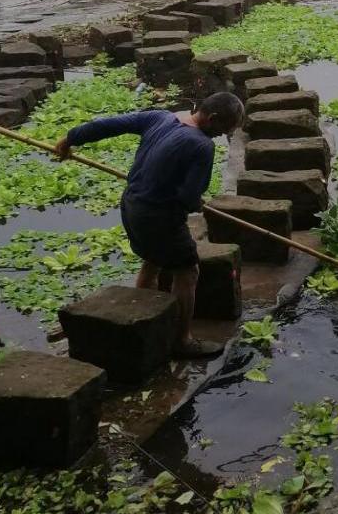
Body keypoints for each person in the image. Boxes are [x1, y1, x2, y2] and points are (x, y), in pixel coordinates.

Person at [54, 92, 245, 358]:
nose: (223, 135)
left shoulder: (160, 117)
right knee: (187, 272)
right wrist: (196, 203)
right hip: (159, 217)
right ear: (212, 118)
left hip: (131, 206)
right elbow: (189, 197)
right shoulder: (201, 146)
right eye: (225, 129)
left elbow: (108, 125)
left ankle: (142, 326)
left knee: (153, 261)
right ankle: (182, 341)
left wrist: (70, 138)